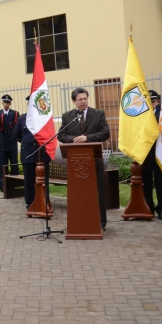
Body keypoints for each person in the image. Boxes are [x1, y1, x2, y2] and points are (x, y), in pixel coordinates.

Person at [58, 87, 110, 230]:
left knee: (97, 192)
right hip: (76, 163)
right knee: (78, 192)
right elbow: (61, 135)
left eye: (85, 98)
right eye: (80, 99)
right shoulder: (67, 116)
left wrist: (87, 138)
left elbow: (105, 133)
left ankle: (100, 222)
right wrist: (74, 139)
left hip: (94, 160)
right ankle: (80, 221)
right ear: (74, 101)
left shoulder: (98, 114)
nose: (83, 102)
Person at [14, 96, 50, 207]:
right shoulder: (22, 119)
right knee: (29, 180)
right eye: (29, 103)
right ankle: (29, 202)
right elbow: (17, 135)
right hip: (28, 153)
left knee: (44, 180)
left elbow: (49, 134)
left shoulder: (44, 117)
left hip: (42, 153)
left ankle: (45, 201)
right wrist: (27, 143)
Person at [142, 90, 162, 219]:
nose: (152, 103)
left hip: (160, 151)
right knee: (146, 181)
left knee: (160, 181)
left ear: (158, 101)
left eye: (153, 101)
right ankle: (148, 207)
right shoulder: (141, 115)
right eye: (149, 101)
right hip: (146, 152)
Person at [1, 94, 20, 176]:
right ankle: (5, 179)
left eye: (7, 102)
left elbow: (17, 127)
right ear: (2, 103)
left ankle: (15, 177)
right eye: (4, 102)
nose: (6, 104)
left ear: (10, 104)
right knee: (4, 161)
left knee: (13, 161)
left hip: (12, 140)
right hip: (2, 141)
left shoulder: (15, 113)